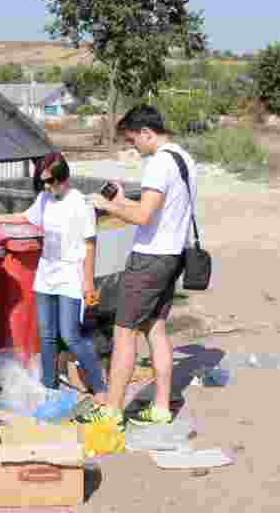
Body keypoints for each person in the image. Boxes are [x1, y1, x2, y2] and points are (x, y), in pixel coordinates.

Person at [79, 104, 198, 430]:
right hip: (172, 256)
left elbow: (144, 217)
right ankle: (160, 407)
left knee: (124, 332)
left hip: (149, 259)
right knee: (155, 329)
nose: (134, 147)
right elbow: (156, 211)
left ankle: (112, 413)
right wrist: (119, 200)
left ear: (148, 133)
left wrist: (107, 206)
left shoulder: (159, 163)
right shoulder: (183, 158)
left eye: (134, 140)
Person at [0, 152, 108, 405]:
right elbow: (27, 217)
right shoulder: (44, 200)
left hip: (71, 275)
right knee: (46, 334)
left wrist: (88, 281)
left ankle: (101, 388)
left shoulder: (80, 203)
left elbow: (90, 244)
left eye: (52, 182)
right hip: (46, 275)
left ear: (65, 178)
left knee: (70, 335)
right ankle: (49, 387)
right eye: (44, 183)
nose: (48, 187)